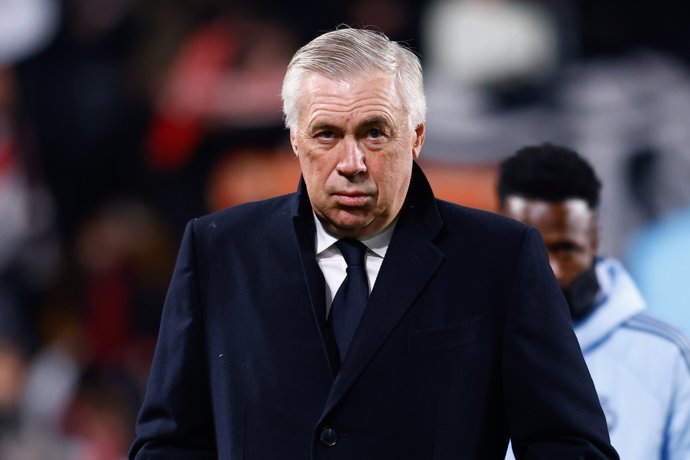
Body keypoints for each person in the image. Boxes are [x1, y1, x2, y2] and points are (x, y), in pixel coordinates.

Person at [129, 28, 617, 459]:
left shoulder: (502, 259)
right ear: (295, 140)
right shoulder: (217, 251)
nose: (352, 162)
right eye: (326, 134)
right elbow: (170, 443)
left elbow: (571, 445)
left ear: (417, 137)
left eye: (375, 133)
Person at [498, 143, 690, 460]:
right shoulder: (470, 346)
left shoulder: (665, 355)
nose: (550, 271)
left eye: (564, 249)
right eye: (531, 251)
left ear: (594, 237)